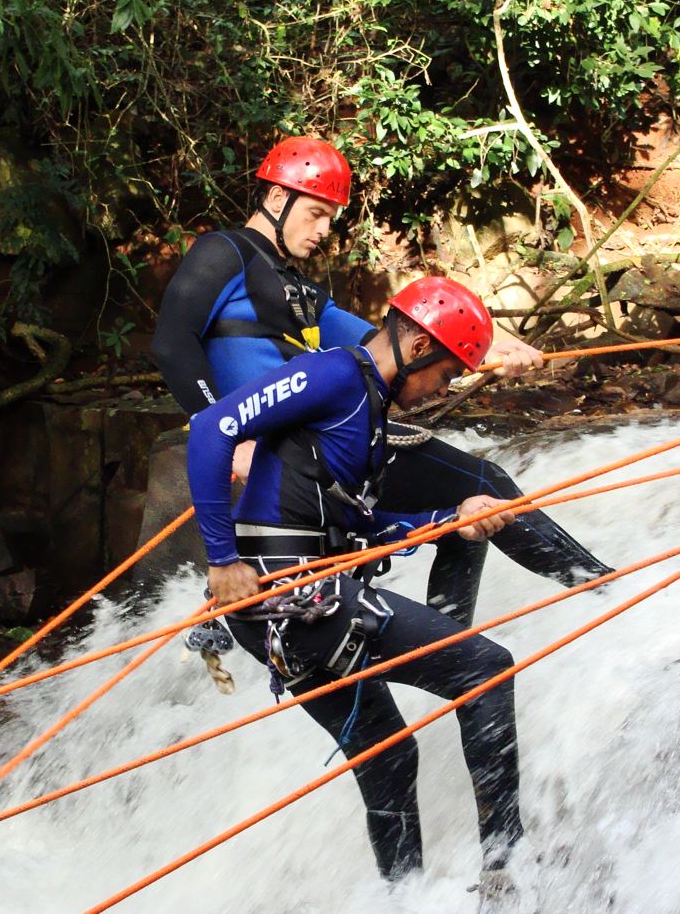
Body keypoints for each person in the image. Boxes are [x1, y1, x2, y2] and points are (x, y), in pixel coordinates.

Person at [153, 136, 612, 627]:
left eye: (331, 217)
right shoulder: (224, 252)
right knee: (486, 483)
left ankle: (452, 642)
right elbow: (173, 340)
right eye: (315, 213)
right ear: (276, 198)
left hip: (323, 438)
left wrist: (486, 350)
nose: (324, 230)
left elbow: (388, 343)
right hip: (301, 447)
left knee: (464, 517)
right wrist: (232, 436)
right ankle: (605, 590)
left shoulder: (298, 286)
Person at [187, 277, 523, 888]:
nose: (439, 393)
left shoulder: (365, 407)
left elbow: (363, 526)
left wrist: (452, 520)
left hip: (292, 605)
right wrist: (219, 558)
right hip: (290, 595)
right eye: (445, 376)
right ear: (419, 347)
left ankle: (407, 901)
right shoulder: (338, 376)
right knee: (487, 669)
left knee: (389, 756)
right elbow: (213, 428)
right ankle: (508, 876)